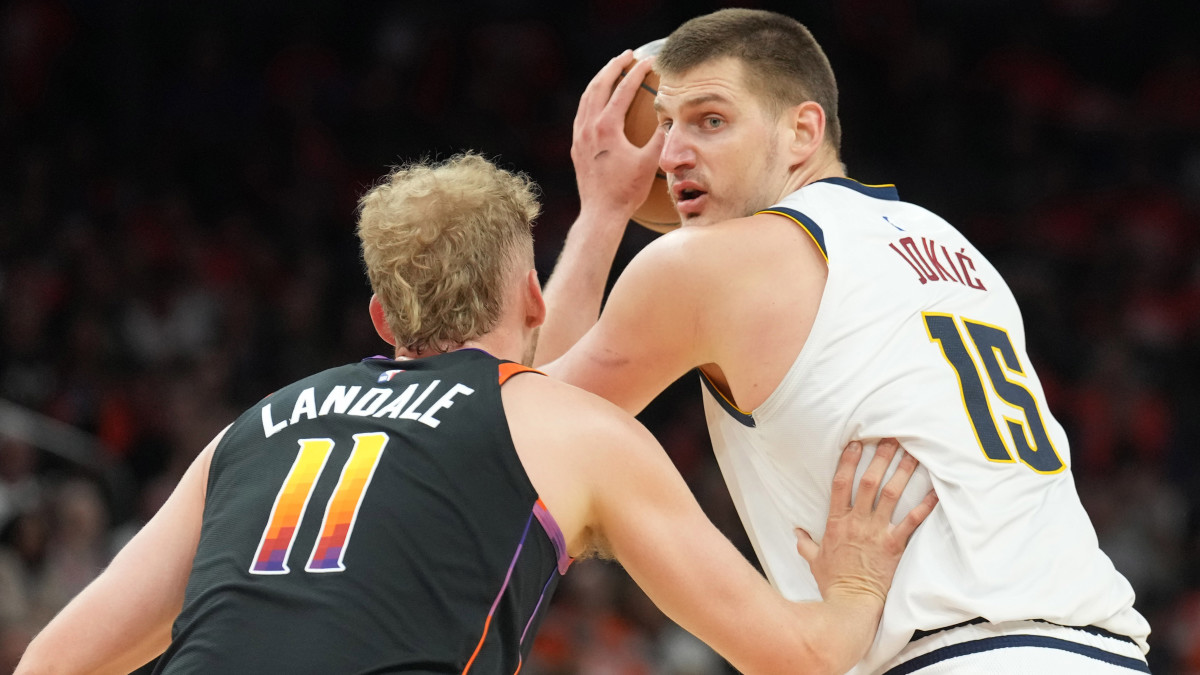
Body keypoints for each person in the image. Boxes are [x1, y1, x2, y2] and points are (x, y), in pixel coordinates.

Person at [15, 153, 937, 675]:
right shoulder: (576, 434)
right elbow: (800, 660)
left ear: (380, 317)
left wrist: (606, 210)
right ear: (534, 297)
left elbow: (55, 666)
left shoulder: (252, 428)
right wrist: (854, 584)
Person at [535, 8, 1152, 674]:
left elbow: (525, 434)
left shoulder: (705, 264)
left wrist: (601, 212)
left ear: (802, 130)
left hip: (952, 654)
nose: (670, 154)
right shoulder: (952, 246)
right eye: (663, 127)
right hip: (1104, 647)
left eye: (710, 121)